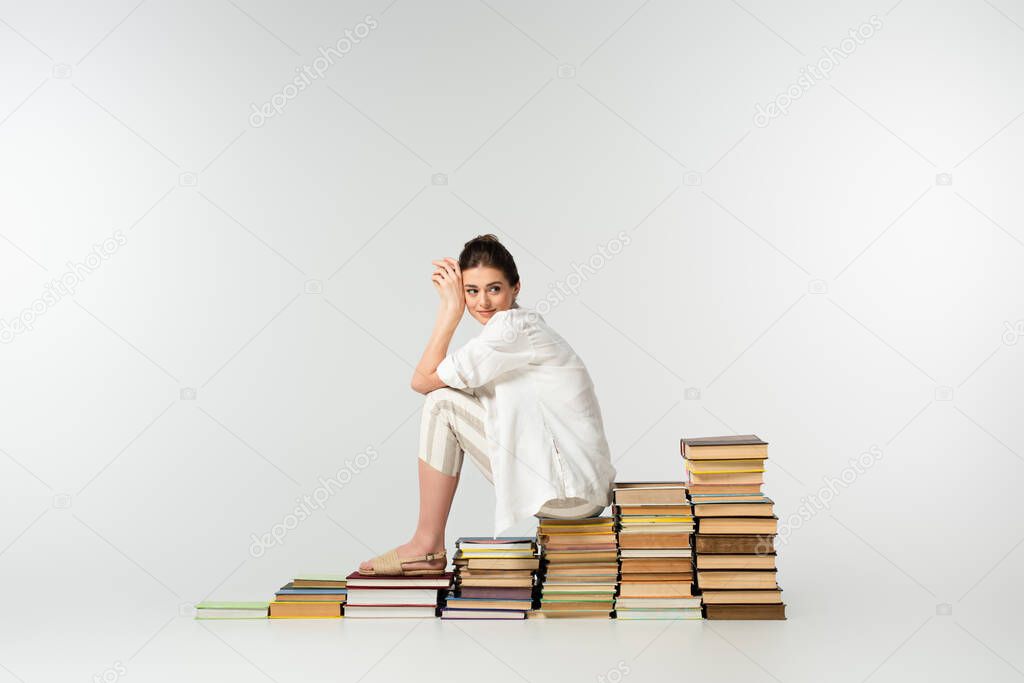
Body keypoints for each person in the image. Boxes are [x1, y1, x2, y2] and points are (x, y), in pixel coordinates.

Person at [358, 234, 617, 575]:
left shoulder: (510, 332)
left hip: (571, 496)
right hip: (580, 492)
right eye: (471, 291)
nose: (483, 302)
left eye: (494, 289)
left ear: (515, 288)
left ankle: (427, 543)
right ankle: (427, 543)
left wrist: (449, 311)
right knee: (448, 398)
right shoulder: (514, 331)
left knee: (440, 403)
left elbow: (422, 381)